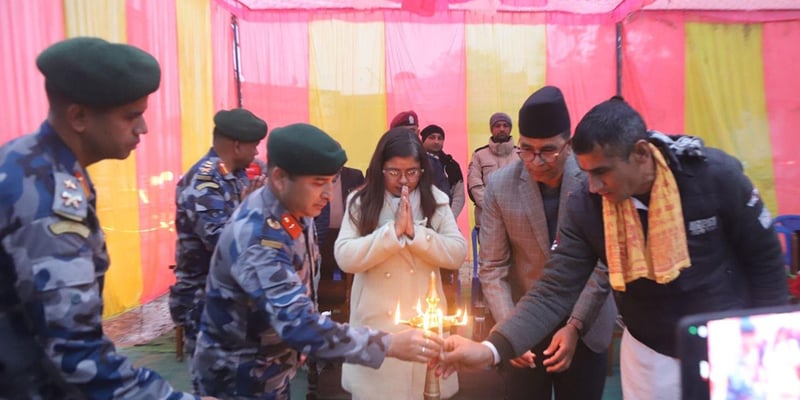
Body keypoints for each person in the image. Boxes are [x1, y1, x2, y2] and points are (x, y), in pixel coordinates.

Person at [440, 97, 788, 400]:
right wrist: (492, 348)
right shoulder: (587, 206)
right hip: (651, 350)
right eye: (587, 173)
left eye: (602, 172)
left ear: (639, 153)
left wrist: (760, 346)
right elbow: (554, 288)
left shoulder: (715, 177)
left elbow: (766, 261)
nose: (592, 185)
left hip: (735, 345)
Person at [0, 37, 210, 399]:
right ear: (79, 117)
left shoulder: (38, 164)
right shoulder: (46, 193)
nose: (142, 128)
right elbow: (74, 353)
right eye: (131, 115)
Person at [192, 123, 442, 399]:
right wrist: (389, 344)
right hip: (236, 378)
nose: (328, 194)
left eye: (332, 182)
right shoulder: (259, 237)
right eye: (318, 183)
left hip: (270, 368)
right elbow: (298, 325)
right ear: (279, 178)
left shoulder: (296, 208)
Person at [478, 86, 615, 399]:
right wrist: (511, 330)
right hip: (525, 318)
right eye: (526, 149)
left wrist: (575, 325)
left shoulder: (593, 178)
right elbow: (492, 266)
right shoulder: (501, 185)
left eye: (548, 150)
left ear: (568, 144)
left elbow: (605, 260)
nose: (536, 161)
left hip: (587, 324)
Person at [334, 128, 467, 399]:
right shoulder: (360, 202)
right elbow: (345, 256)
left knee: (425, 390)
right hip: (376, 322)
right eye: (394, 172)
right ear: (380, 168)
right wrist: (390, 234)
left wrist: (415, 234)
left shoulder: (436, 201)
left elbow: (456, 253)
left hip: (425, 322)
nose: (403, 180)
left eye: (412, 172)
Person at [171, 108, 268, 357]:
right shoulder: (205, 181)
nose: (257, 152)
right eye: (254, 146)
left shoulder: (235, 176)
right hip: (205, 301)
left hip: (233, 298)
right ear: (237, 146)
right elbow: (219, 241)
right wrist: (246, 210)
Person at [467, 112, 516, 231]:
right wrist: (492, 208)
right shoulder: (479, 155)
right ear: (491, 129)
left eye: (505, 125)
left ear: (510, 128)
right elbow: (475, 185)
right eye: (497, 126)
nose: (502, 129)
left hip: (516, 220)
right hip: (487, 220)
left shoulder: (521, 155)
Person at [390, 110, 451, 199]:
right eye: (404, 131)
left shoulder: (431, 163)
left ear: (418, 133)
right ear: (393, 134)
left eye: (413, 131)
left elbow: (443, 198)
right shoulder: (382, 163)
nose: (409, 135)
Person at [420, 124, 465, 218]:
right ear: (423, 140)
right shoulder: (415, 162)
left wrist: (450, 218)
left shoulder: (451, 165)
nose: (436, 141)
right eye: (431, 137)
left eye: (439, 138)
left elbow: (459, 196)